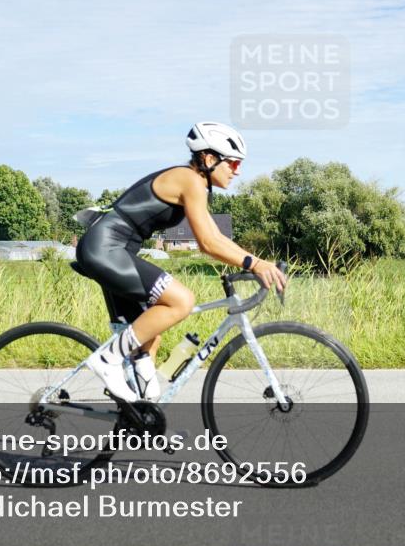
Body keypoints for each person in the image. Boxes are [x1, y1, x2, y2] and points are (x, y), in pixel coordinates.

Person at [76, 122, 288, 403]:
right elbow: (208, 244)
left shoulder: (195, 184)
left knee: (150, 340)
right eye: (234, 163)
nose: (237, 170)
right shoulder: (190, 180)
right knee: (181, 301)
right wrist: (254, 264)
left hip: (116, 252)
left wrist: (257, 261)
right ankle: (107, 360)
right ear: (210, 159)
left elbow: (216, 235)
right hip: (106, 249)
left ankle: (139, 417)